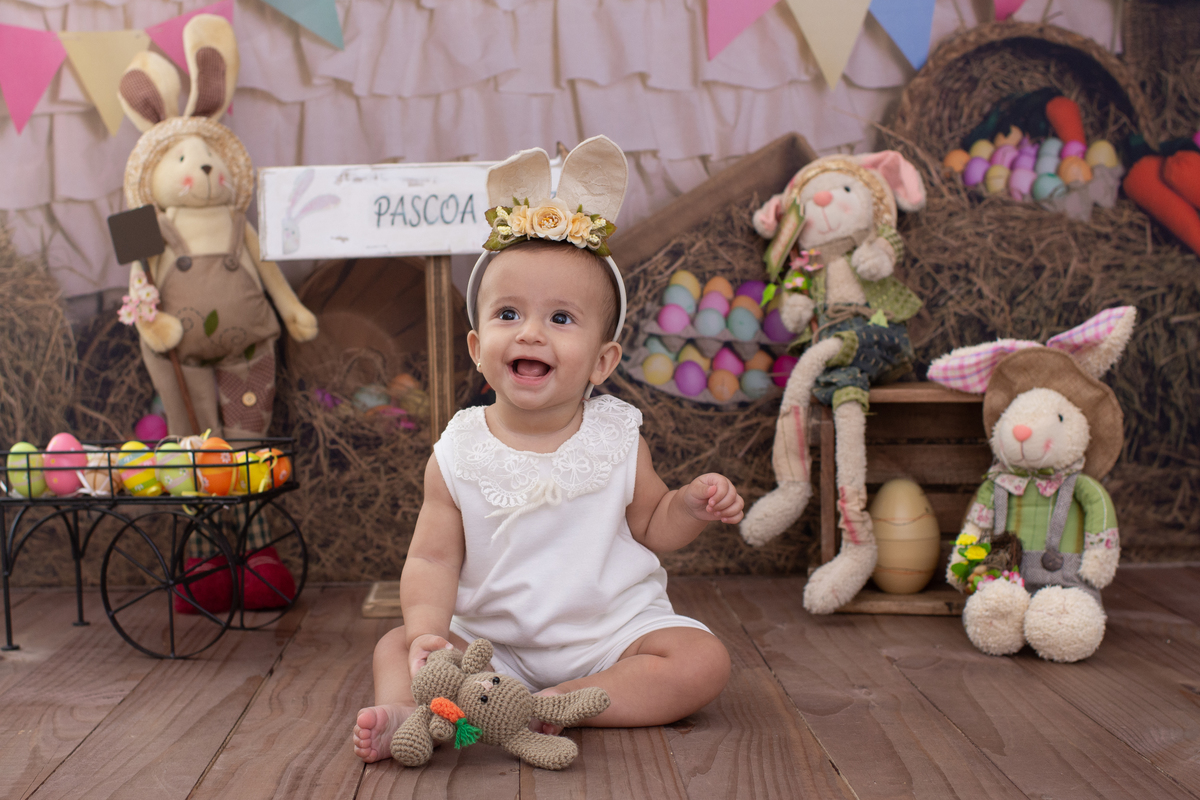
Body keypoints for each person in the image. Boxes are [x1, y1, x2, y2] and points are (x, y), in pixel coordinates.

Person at [353, 137, 741, 763]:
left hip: (612, 635)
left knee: (701, 662)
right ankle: (415, 709)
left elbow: (652, 524)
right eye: (510, 313)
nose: (531, 331)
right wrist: (430, 635)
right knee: (396, 645)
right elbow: (431, 559)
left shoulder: (616, 435)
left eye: (561, 319)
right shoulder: (457, 450)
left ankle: (564, 700)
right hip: (489, 650)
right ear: (479, 348)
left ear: (602, 361)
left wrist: (690, 506)